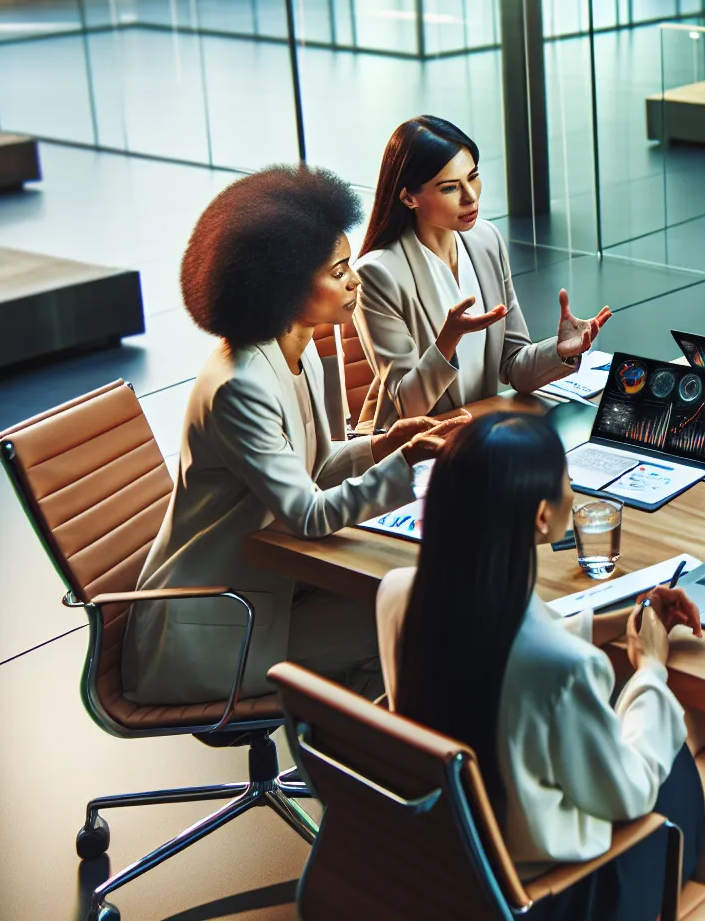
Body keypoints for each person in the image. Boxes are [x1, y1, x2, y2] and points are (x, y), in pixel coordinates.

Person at [376, 413, 705, 921]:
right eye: (565, 477)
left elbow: (500, 646)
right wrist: (650, 669)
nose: (572, 485)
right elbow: (630, 791)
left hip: (457, 861)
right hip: (553, 893)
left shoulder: (400, 594)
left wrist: (616, 622)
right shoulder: (561, 669)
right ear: (542, 517)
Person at [125, 166, 465, 706]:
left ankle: (367, 771)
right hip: (216, 627)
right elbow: (306, 516)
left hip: (271, 592)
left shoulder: (294, 351)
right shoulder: (242, 387)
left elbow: (315, 473)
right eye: (338, 270)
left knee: (414, 607)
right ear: (281, 284)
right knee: (421, 623)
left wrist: (385, 445)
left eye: (349, 264)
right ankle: (377, 777)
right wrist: (404, 467)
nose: (353, 280)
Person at [353, 116, 612, 432]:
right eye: (450, 187)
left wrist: (558, 351)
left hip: (480, 428)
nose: (470, 197)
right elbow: (409, 406)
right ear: (408, 197)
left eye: (472, 177)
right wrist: (448, 340)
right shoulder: (378, 274)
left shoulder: (485, 240)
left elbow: (513, 366)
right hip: (419, 445)